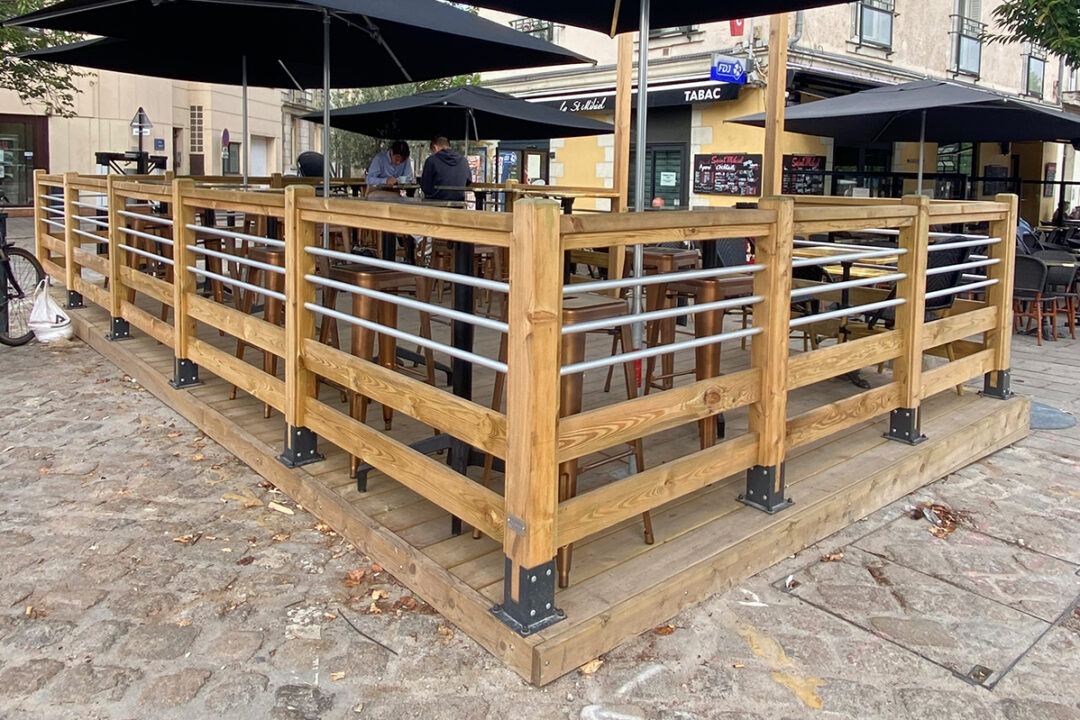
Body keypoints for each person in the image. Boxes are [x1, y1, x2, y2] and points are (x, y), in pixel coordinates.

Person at [420, 136, 471, 202]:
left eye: (432, 151)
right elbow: (468, 181)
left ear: (435, 147)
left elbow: (425, 187)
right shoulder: (463, 161)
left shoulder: (431, 161)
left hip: (435, 204)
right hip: (458, 204)